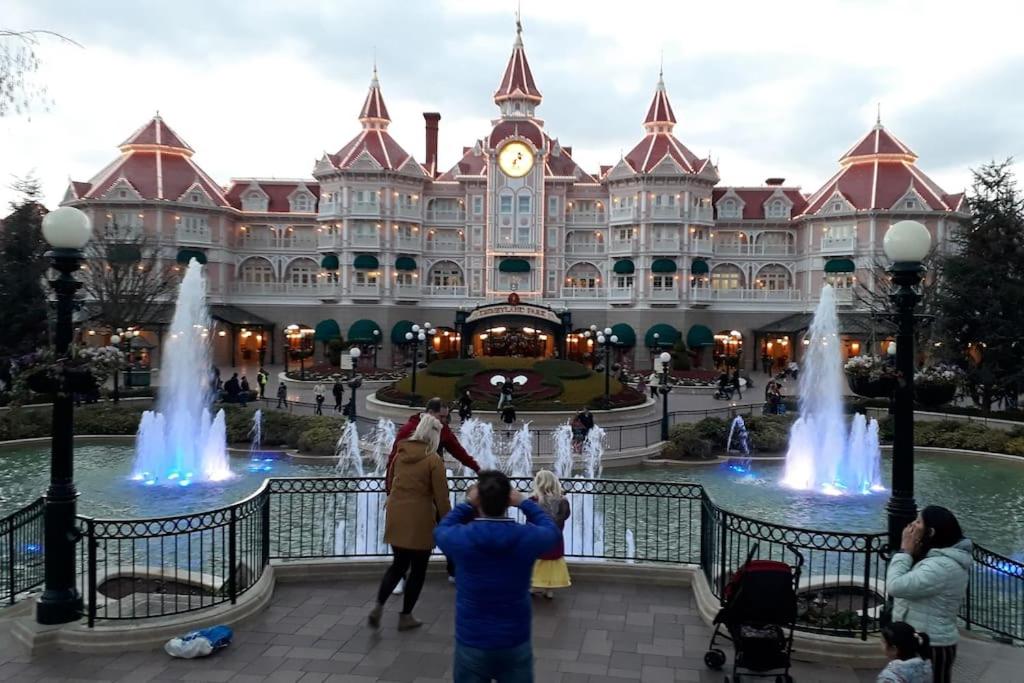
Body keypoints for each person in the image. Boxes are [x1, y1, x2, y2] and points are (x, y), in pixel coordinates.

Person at [435, 471, 560, 682]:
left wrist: (467, 503)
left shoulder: (463, 537)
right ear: (508, 500)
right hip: (514, 639)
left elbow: (441, 530)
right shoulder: (525, 537)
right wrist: (524, 502)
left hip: (472, 639)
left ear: (479, 500)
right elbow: (552, 531)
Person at [368, 414, 451, 631]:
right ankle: (406, 616)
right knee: (418, 569)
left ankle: (378, 606)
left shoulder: (400, 454)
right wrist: (449, 522)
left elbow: (390, 482)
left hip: (396, 513)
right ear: (434, 435)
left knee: (398, 565)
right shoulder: (433, 460)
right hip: (420, 518)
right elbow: (441, 497)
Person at [886, 506, 971, 683]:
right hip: (922, 641)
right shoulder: (935, 559)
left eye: (918, 522)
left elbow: (895, 586)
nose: (911, 525)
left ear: (930, 532)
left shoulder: (940, 567)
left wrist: (904, 551)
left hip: (932, 646)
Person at [386, 397, 480, 495]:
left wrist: (477, 469)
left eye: (446, 417)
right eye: (441, 416)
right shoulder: (409, 429)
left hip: (433, 480)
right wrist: (389, 489)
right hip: (410, 482)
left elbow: (459, 452)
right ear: (430, 412)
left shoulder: (443, 429)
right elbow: (393, 459)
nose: (444, 420)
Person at [529, 470, 571, 600]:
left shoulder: (534, 501)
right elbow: (564, 517)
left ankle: (535, 586)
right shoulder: (563, 501)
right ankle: (549, 590)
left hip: (538, 537)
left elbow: (530, 520)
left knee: (538, 561)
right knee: (552, 563)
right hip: (555, 538)